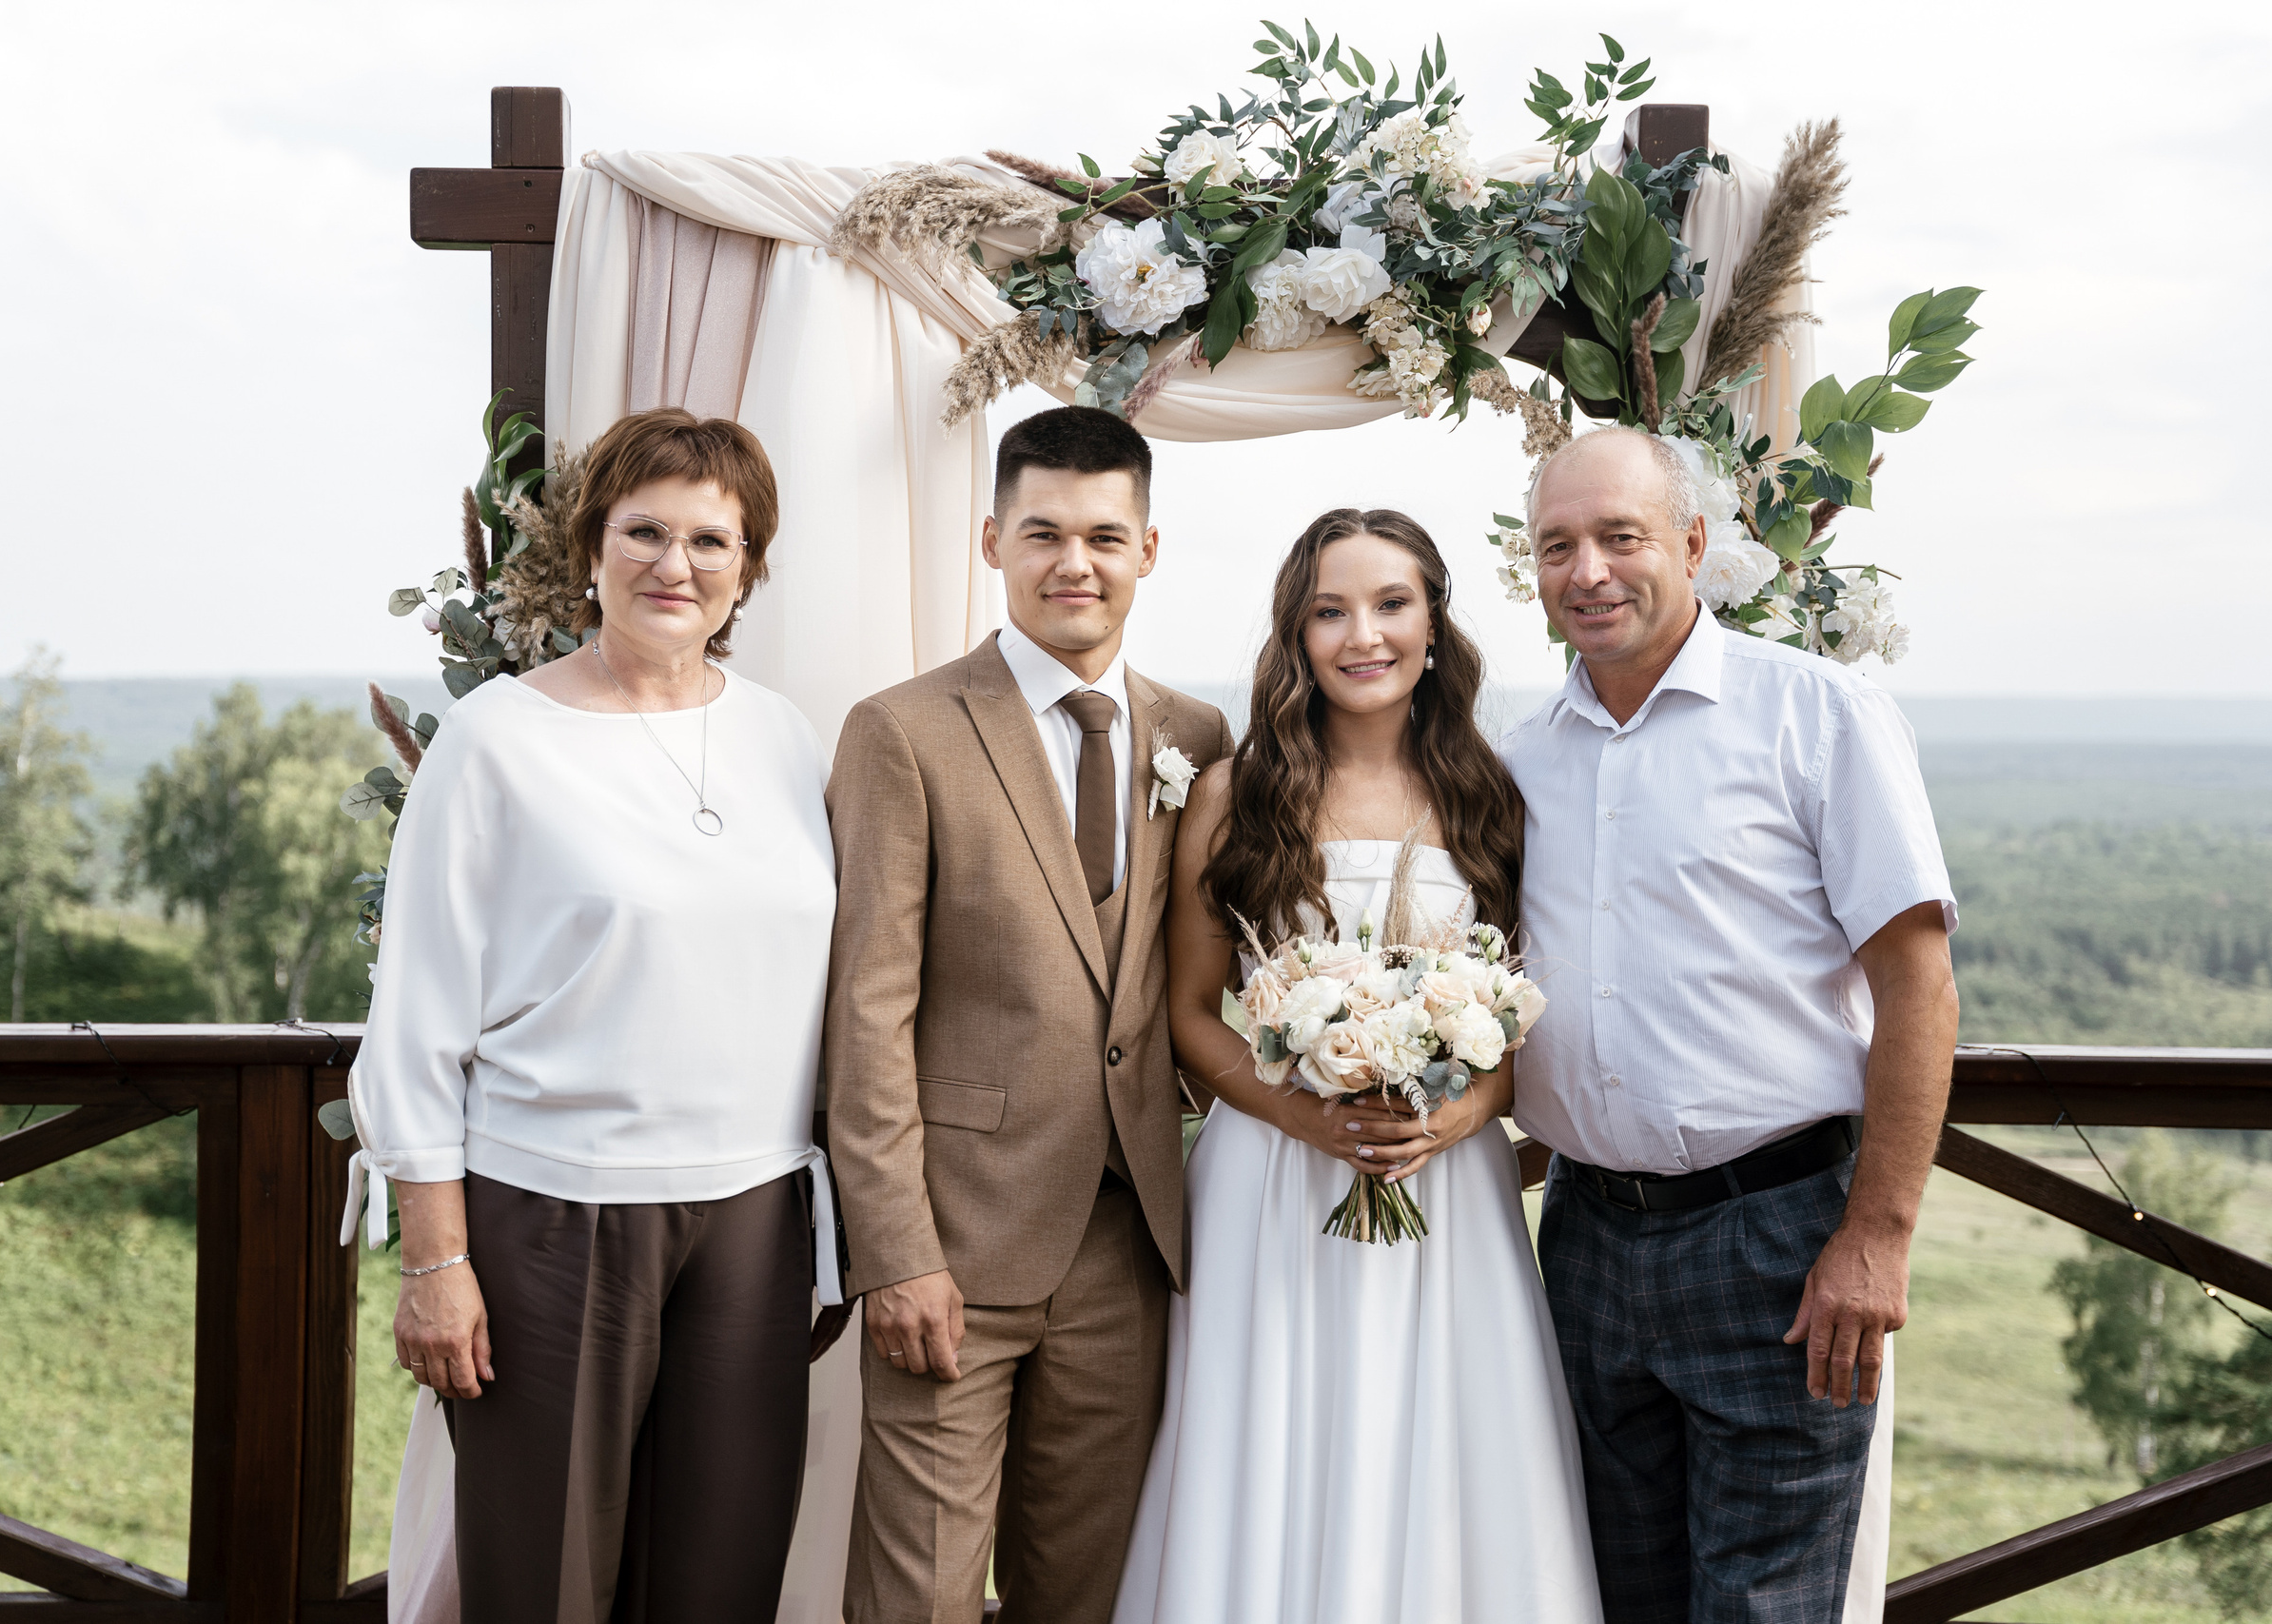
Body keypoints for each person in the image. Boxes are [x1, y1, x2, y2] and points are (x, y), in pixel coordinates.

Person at [347, 406, 848, 1624]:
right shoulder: (496, 741)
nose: (675, 565)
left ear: (749, 570)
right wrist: (437, 1262)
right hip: (549, 1221)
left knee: (720, 1586)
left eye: (711, 542)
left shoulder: (784, 736)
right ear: (590, 548)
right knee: (545, 1588)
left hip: (754, 1221)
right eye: (645, 531)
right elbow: (416, 1022)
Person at [1498, 426, 1960, 1622]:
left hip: (1778, 1243)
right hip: (1586, 1240)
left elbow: (1919, 988)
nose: (1588, 572)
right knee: (1614, 1596)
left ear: (1694, 545)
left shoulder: (1814, 712)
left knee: (1767, 1609)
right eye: (1557, 547)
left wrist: (1877, 1236)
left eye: (1620, 538)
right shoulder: (1517, 759)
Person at [1112, 508, 1602, 1624]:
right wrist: (1306, 1116)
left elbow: (1529, 1016)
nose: (1361, 635)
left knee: (1439, 1434)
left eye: (1390, 605)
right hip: (1270, 1180)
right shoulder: (1238, 792)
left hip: (1447, 1183)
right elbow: (1190, 1011)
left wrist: (1458, 1112)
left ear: (1434, 622)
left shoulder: (1491, 789)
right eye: (1330, 610)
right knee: (1270, 1434)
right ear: (1296, 632)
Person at [824, 405, 1233, 1623]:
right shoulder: (902, 733)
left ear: (1147, 552)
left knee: (1088, 1595)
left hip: (1128, 1249)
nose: (1075, 563)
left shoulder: (1198, 741)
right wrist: (894, 1255)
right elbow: (865, 1019)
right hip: (955, 1247)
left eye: (1106, 536)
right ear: (993, 541)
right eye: (1044, 532)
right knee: (920, 1599)